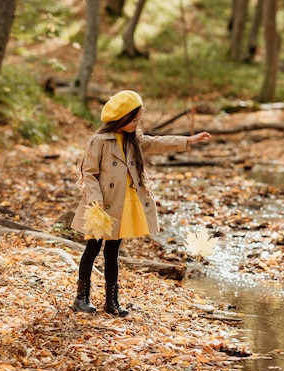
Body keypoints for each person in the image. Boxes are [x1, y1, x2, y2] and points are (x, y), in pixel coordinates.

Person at [70, 90, 212, 316]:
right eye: (134, 119)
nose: (137, 123)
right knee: (93, 248)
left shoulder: (132, 140)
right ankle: (81, 298)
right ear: (121, 118)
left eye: (138, 119)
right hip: (99, 207)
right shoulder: (99, 141)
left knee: (113, 252)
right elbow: (89, 174)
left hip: (122, 204)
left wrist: (189, 140)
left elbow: (158, 143)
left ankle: (112, 301)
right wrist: (95, 200)